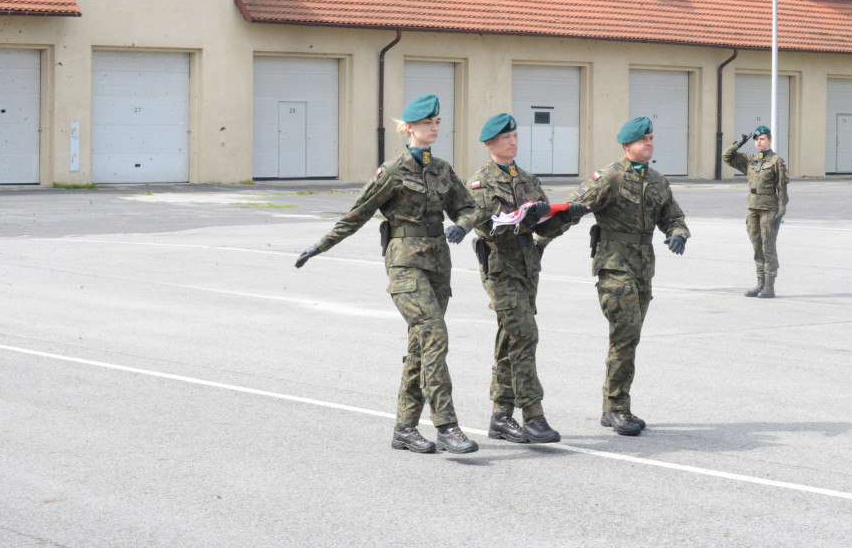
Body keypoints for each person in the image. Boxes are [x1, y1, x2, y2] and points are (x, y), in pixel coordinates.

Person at [294, 94, 480, 454]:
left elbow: (469, 206)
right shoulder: (393, 171)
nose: (434, 128)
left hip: (439, 266)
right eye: (428, 123)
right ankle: (447, 426)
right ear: (409, 128)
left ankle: (405, 429)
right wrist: (321, 245)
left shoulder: (442, 169)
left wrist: (463, 225)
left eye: (438, 123)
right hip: (405, 266)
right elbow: (357, 213)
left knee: (420, 347)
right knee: (435, 336)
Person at [545, 117, 690, 436]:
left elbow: (672, 215)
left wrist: (678, 233)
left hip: (642, 270)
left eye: (651, 138)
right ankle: (617, 408)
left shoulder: (657, 180)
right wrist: (538, 241)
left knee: (630, 336)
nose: (649, 144)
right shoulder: (609, 177)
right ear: (627, 146)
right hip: (614, 267)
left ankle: (611, 407)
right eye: (643, 140)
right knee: (625, 334)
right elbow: (571, 208)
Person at [465, 113, 588, 445]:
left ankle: (501, 417)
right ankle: (533, 416)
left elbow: (544, 225)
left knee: (511, 340)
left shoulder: (528, 179)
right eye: (506, 138)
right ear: (491, 143)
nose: (513, 142)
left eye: (516, 136)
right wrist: (521, 221)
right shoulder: (479, 183)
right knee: (525, 336)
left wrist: (567, 218)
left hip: (527, 268)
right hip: (501, 268)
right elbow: (486, 227)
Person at [722, 124, 789, 298]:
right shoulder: (751, 160)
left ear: (770, 140)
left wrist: (781, 210)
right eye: (756, 140)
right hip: (752, 208)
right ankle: (760, 283)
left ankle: (769, 285)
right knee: (757, 247)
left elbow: (782, 188)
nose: (759, 142)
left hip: (768, 210)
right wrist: (738, 143)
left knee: (768, 248)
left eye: (762, 139)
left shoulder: (776, 162)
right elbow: (726, 157)